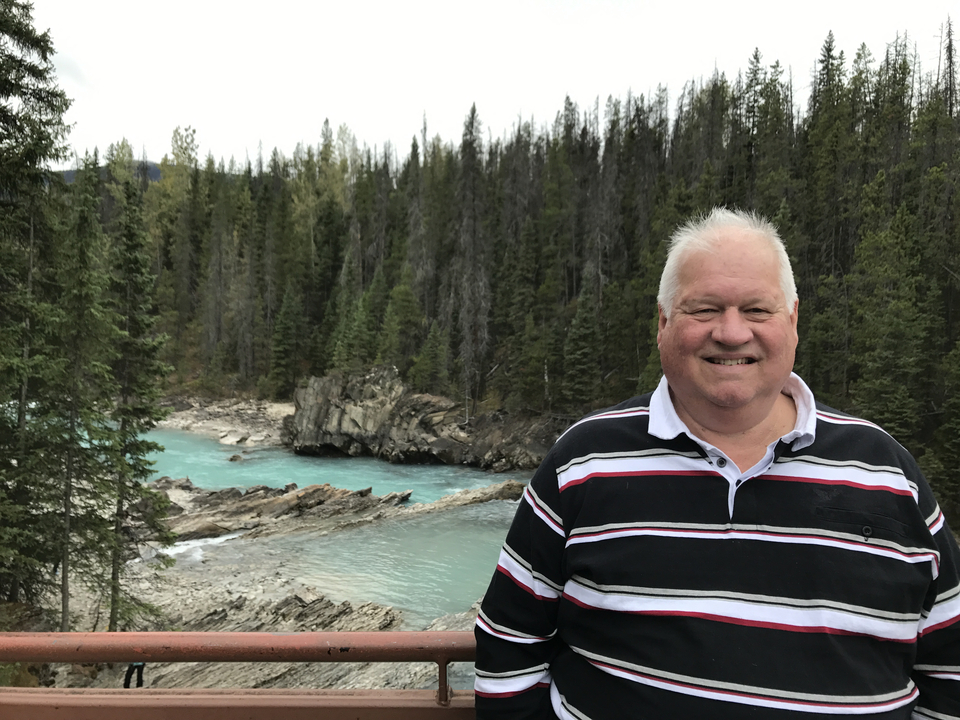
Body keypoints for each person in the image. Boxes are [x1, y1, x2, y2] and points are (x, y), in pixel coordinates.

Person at [474, 208, 960, 719]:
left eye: (757, 310)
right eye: (703, 309)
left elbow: (949, 668)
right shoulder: (584, 461)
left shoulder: (888, 473)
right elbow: (509, 639)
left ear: (792, 321)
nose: (731, 333)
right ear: (663, 323)